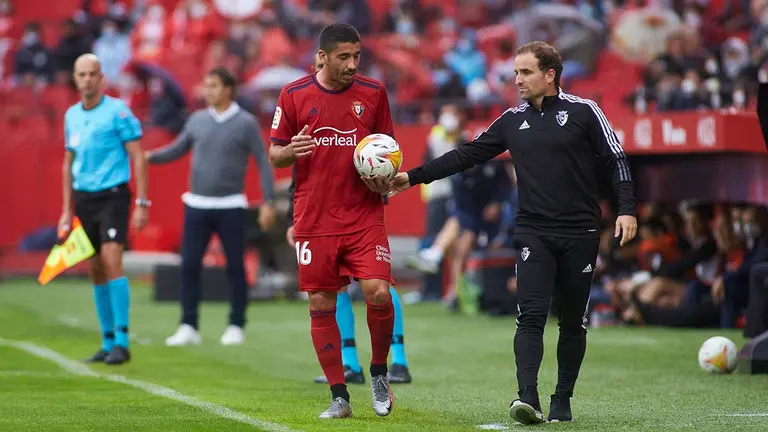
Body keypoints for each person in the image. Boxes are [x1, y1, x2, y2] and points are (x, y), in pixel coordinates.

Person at [374, 41, 638, 424]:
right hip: (532, 231)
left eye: (525, 72)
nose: (517, 80)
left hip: (580, 231)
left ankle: (562, 397)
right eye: (515, 72)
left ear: (550, 74)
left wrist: (627, 209)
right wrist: (412, 177)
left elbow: (616, 158)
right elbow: (467, 154)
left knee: (571, 321)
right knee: (529, 315)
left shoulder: (585, 112)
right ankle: (527, 397)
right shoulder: (512, 120)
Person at [269, 23, 396, 419]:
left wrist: (385, 177)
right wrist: (292, 149)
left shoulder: (373, 93)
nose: (352, 64)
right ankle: (339, 395)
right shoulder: (293, 95)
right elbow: (275, 155)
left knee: (377, 292)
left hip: (363, 214)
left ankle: (378, 372)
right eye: (344, 57)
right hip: (315, 216)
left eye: (357, 56)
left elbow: (388, 150)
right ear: (322, 56)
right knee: (322, 302)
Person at [146, 67, 276, 346]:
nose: (208, 91)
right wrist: (148, 158)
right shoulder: (196, 120)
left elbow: (264, 163)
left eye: (214, 86)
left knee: (235, 268)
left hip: (231, 206)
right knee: (190, 265)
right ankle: (188, 325)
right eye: (206, 86)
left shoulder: (246, 123)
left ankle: (236, 324)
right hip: (197, 204)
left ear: (228, 89)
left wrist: (268, 202)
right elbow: (177, 149)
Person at [59, 53, 148, 365]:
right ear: (75, 78)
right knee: (95, 268)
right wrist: (66, 210)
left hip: (112, 196)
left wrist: (141, 202)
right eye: (81, 74)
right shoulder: (71, 116)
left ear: (101, 78)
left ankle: (122, 340)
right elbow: (68, 164)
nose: (87, 80)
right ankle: (107, 339)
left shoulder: (118, 112)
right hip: (84, 198)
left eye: (92, 74)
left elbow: (138, 156)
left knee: (112, 260)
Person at [286, 171, 413, 385]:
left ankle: (399, 361)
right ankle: (350, 364)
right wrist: (295, 215)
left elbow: (382, 146)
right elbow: (302, 169)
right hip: (322, 209)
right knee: (333, 284)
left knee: (377, 282)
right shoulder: (306, 137)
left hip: (361, 205)